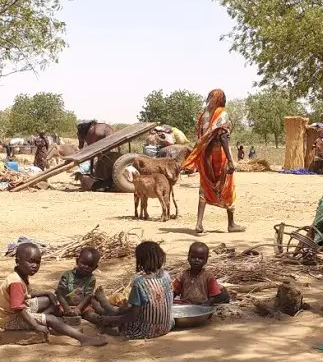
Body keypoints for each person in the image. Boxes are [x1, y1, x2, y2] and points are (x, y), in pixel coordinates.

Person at [0, 243, 108, 346]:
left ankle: (50, 322)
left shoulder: (20, 275)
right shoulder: (16, 282)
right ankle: (83, 338)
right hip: (10, 319)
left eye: (37, 262)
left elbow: (28, 294)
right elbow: (19, 309)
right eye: (31, 261)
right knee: (51, 319)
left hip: (16, 310)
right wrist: (36, 325)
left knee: (49, 300)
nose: (35, 266)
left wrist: (47, 293)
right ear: (18, 261)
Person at [181, 89, 244, 235]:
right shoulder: (221, 113)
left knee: (205, 187)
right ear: (221, 99)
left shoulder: (204, 115)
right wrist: (230, 160)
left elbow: (201, 136)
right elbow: (223, 137)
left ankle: (198, 224)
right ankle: (231, 224)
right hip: (218, 155)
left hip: (205, 156)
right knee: (227, 186)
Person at [98, 241, 175, 339]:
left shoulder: (140, 283)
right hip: (167, 326)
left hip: (147, 331)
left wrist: (111, 319)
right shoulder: (166, 276)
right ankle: (108, 309)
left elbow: (133, 316)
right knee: (127, 309)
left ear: (140, 261)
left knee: (115, 325)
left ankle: (107, 314)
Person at [56, 247, 109, 326]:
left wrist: (78, 309)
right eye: (83, 263)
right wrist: (66, 308)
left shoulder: (91, 279)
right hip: (65, 305)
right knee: (54, 313)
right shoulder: (67, 275)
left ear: (95, 267)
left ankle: (106, 322)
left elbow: (88, 296)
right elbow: (59, 294)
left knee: (91, 316)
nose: (86, 267)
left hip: (83, 307)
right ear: (77, 261)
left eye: (90, 265)